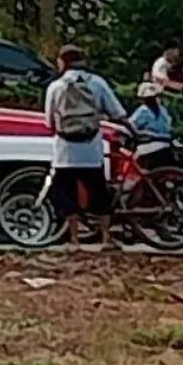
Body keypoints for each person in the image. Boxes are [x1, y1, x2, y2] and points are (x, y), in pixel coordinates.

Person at [45, 45, 127, 248]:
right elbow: (117, 113)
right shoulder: (97, 83)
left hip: (64, 152)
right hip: (92, 150)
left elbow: (49, 122)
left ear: (63, 61)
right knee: (100, 195)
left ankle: (74, 240)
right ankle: (106, 239)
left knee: (67, 195)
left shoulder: (56, 86)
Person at [128, 81, 177, 171]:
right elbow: (131, 127)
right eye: (149, 98)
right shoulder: (142, 111)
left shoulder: (163, 110)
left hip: (167, 144)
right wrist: (145, 133)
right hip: (149, 144)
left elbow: (169, 127)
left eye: (153, 97)